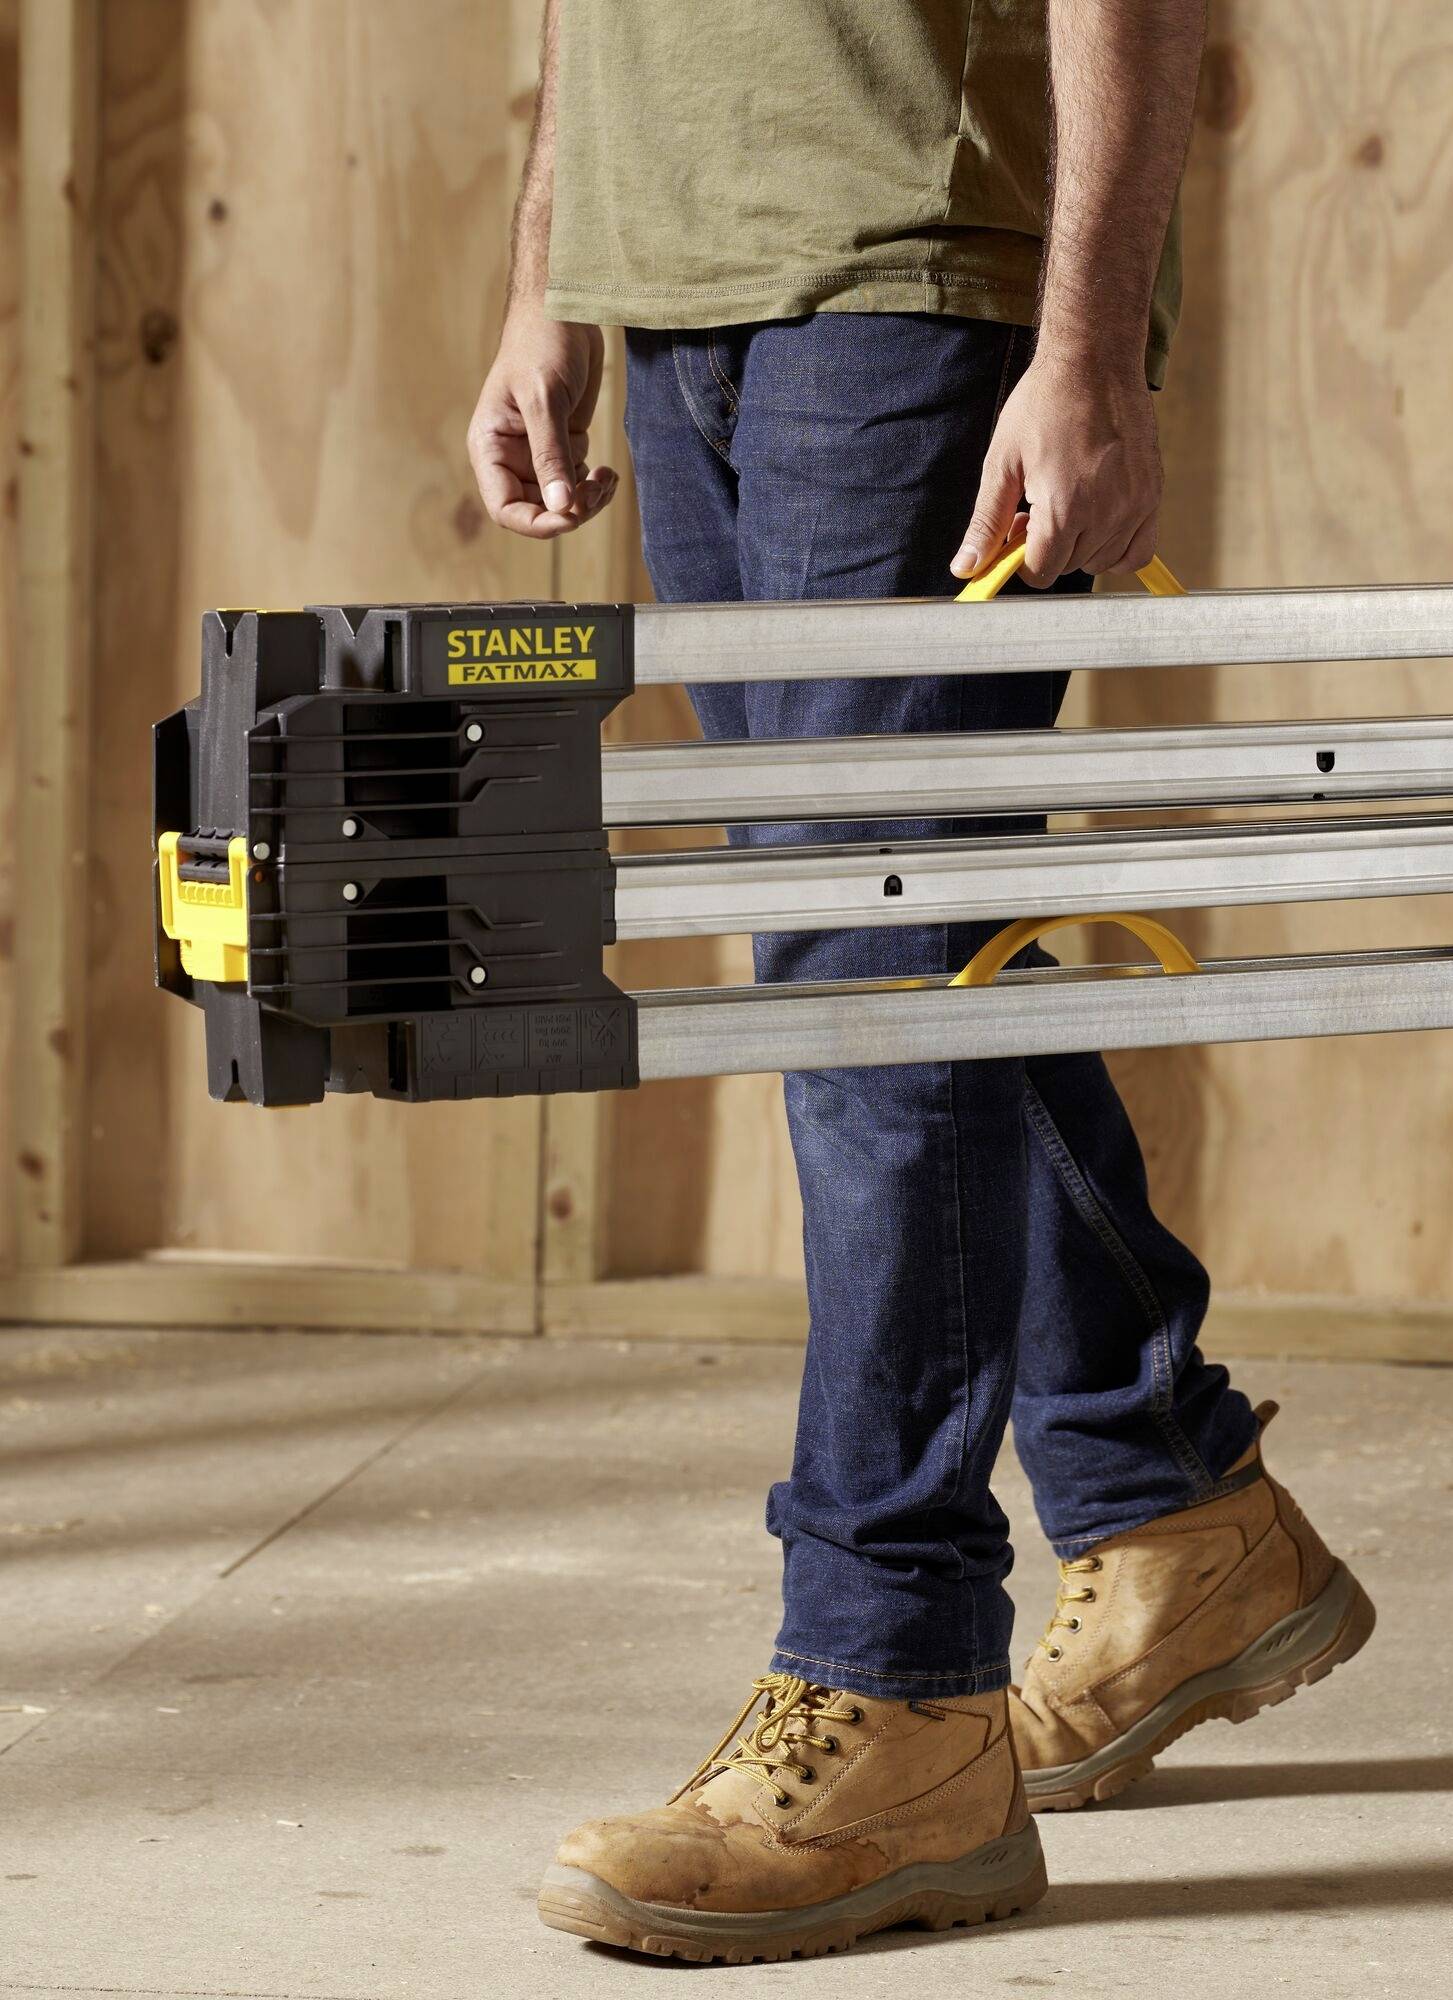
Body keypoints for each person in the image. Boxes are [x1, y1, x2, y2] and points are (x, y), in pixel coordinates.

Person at [470, 0, 1372, 1965]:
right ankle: (1173, 1511)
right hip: (678, 277)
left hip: (916, 277)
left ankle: (893, 1693)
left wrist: (1081, 353)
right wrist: (555, 283)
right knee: (891, 949)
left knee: (869, 987)